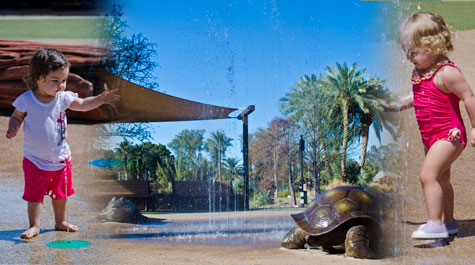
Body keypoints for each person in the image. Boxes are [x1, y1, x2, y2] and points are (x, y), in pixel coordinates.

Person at [5, 48, 120, 239]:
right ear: (39, 78)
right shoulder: (27, 99)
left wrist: (100, 99)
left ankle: (61, 221)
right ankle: (34, 226)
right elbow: (16, 116)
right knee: (35, 196)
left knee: (61, 194)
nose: (61, 85)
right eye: (55, 81)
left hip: (61, 158)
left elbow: (83, 104)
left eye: (64, 80)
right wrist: (13, 127)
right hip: (34, 159)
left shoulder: (63, 98)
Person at [387, 12, 475, 240]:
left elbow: (469, 97)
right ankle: (449, 222)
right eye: (407, 51)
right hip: (431, 137)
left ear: (432, 46)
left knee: (428, 176)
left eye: (413, 52)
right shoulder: (420, 72)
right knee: (442, 180)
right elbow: (416, 97)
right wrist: (392, 106)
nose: (409, 57)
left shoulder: (447, 73)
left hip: (450, 135)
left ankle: (435, 223)